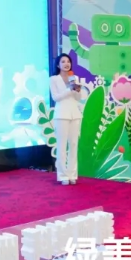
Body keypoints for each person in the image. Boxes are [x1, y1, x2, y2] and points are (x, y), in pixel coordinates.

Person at [49, 53, 83, 185]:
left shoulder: (74, 78)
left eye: (68, 61)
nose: (66, 64)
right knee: (62, 145)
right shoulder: (54, 79)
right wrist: (69, 89)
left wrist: (77, 90)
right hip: (61, 115)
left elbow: (78, 98)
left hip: (75, 114)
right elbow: (56, 97)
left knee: (73, 144)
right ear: (58, 65)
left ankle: (72, 174)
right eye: (63, 61)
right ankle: (63, 175)